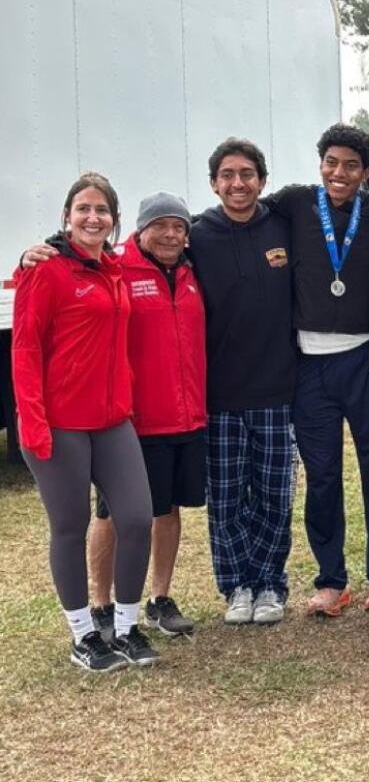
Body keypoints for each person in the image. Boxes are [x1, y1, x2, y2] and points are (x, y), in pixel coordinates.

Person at [12, 174, 157, 671]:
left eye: (102, 210)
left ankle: (125, 627)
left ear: (115, 221)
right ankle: (83, 636)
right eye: (83, 209)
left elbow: (167, 240)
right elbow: (25, 348)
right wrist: (33, 424)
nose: (92, 218)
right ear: (67, 217)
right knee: (70, 527)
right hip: (61, 422)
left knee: (137, 519)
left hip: (113, 420)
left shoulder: (114, 268)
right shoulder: (45, 270)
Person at [263, 124, 369, 617]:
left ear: (365, 173)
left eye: (351, 166)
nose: (339, 173)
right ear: (320, 163)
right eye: (331, 163)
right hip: (309, 367)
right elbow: (234, 215)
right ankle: (331, 580)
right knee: (322, 478)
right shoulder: (295, 202)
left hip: (364, 359)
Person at [86, 193, 207, 640]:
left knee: (167, 509)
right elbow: (69, 260)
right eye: (161, 226)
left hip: (186, 415)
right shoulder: (116, 267)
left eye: (179, 226)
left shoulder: (195, 270)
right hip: (131, 419)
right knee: (113, 513)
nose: (171, 234)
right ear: (141, 229)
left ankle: (159, 598)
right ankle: (101, 603)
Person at [190, 138, 297, 625]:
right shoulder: (196, 234)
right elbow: (136, 254)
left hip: (277, 391)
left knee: (275, 495)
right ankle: (237, 586)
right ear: (214, 183)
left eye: (247, 174)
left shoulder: (283, 225)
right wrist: (54, 246)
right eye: (228, 175)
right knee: (228, 498)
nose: (238, 183)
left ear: (262, 180)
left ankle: (271, 584)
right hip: (219, 396)